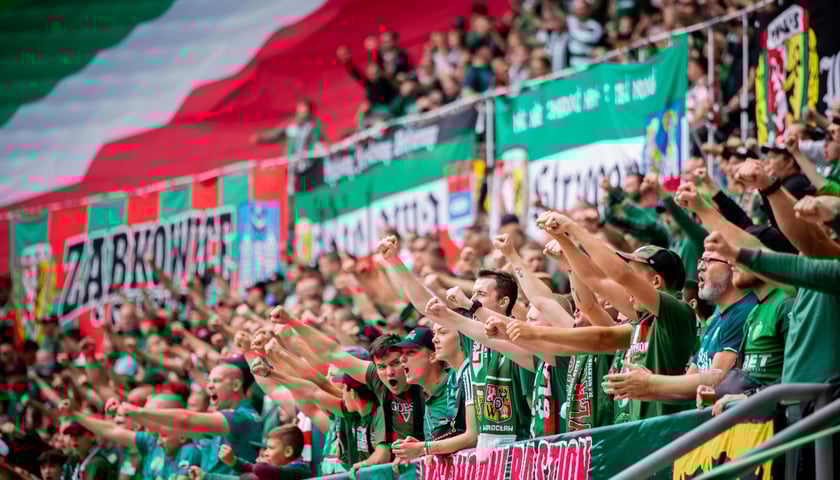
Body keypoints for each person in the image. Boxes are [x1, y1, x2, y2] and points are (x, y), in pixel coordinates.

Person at [120, 359, 263, 477]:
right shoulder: (222, 418)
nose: (209, 386)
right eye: (209, 381)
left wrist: (138, 412)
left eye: (217, 381)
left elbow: (186, 420)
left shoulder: (242, 416)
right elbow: (176, 428)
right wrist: (132, 416)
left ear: (236, 385)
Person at [190, 425, 310, 480]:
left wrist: (262, 464)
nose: (266, 453)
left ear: (288, 451)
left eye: (271, 448)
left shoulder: (298, 470)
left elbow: (260, 470)